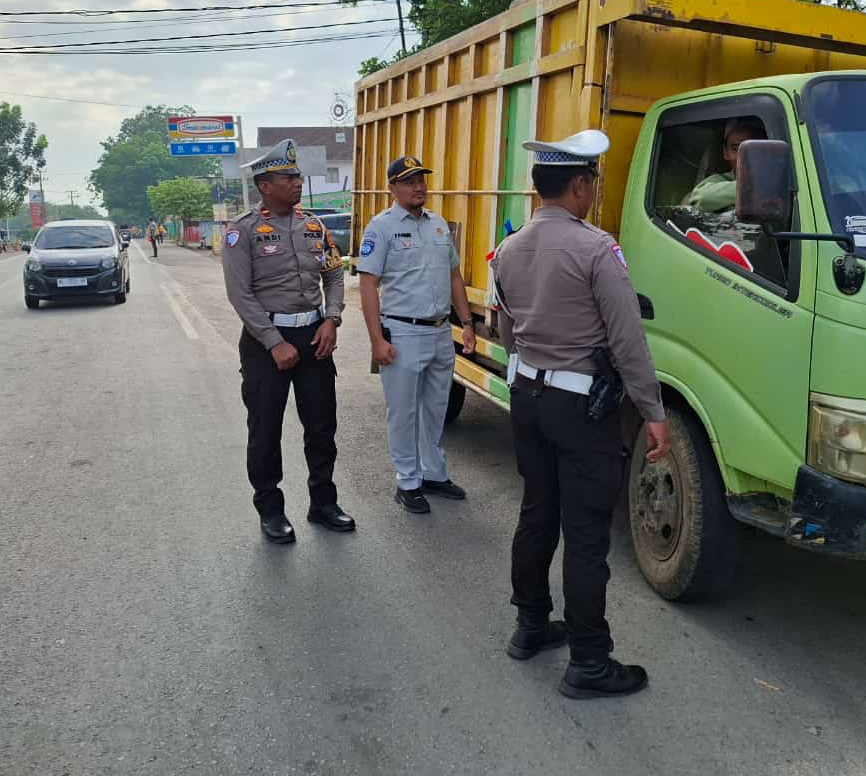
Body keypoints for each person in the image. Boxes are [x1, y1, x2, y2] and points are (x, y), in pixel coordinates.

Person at [491, 129, 671, 700]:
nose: (593, 191)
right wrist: (654, 412)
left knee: (536, 513)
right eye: (592, 181)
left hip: (528, 398)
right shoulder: (597, 248)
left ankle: (530, 626)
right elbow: (627, 341)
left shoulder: (510, 249)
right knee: (587, 533)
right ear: (577, 185)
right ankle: (590, 661)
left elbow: (505, 329)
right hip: (579, 408)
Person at [222, 138, 354, 542]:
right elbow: (240, 294)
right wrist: (273, 341)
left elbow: (333, 273)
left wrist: (331, 319)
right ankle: (271, 509)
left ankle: (323, 503)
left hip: (315, 336)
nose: (297, 183)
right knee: (265, 430)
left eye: (297, 176)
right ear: (265, 185)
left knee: (321, 426)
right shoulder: (242, 232)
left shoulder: (313, 225)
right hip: (267, 343)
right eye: (288, 177)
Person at [357, 155, 476, 514]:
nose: (419, 186)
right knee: (403, 411)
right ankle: (408, 481)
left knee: (435, 408)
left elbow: (454, 276)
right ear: (392, 188)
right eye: (409, 181)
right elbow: (368, 284)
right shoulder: (381, 228)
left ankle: (433, 474)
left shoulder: (439, 226)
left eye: (421, 179)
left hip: (441, 331)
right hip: (403, 332)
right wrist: (377, 339)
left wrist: (467, 324)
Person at [681, 116, 767, 213]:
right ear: (725, 153)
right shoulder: (718, 181)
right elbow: (699, 199)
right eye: (735, 149)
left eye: (753, 149)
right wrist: (756, 188)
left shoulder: (780, 179)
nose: (743, 156)